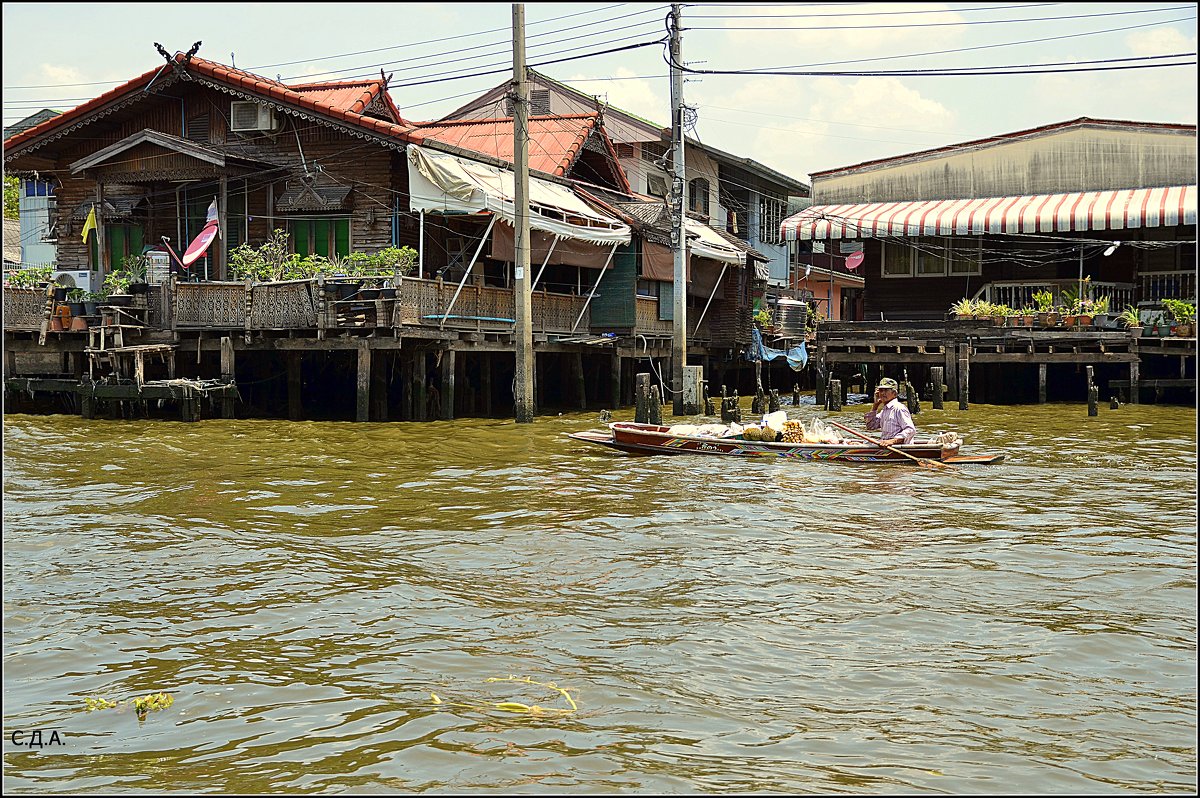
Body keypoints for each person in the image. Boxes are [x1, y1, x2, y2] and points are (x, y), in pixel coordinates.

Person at [864, 377, 916, 446]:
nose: (882, 393)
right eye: (881, 390)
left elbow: (910, 430)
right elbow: (870, 426)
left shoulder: (899, 408)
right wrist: (875, 405)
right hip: (884, 445)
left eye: (886, 390)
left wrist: (892, 441)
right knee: (854, 443)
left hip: (896, 447)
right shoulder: (885, 410)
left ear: (894, 393)